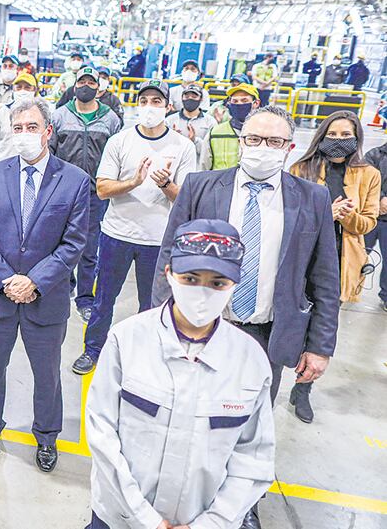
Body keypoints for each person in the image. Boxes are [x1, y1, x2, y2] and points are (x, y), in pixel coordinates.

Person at [151, 106, 340, 529]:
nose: (261, 149)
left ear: (289, 148)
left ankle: (241, 505)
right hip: (201, 325)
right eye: (253, 139)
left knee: (247, 425)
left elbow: (324, 277)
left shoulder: (312, 198)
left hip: (266, 334)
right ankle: (181, 492)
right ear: (241, 141)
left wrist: (320, 346)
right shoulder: (201, 187)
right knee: (186, 412)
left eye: (274, 142)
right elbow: (170, 254)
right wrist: (158, 323)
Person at [86, 219, 275, 529]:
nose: (202, 292)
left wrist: (212, 524)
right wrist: (145, 518)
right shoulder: (127, 339)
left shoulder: (250, 360)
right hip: (121, 517)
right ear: (169, 275)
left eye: (217, 283)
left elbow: (253, 457)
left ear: (234, 285)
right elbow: (102, 434)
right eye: (190, 278)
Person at [0, 98, 90, 472]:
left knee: (47, 374)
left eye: (31, 128)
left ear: (48, 132)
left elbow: (74, 243)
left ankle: (47, 436)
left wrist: (35, 281)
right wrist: (7, 279)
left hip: (45, 299)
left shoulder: (75, 180)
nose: (24, 135)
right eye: (17, 128)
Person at [72, 80, 197, 375]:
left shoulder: (183, 147)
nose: (150, 107)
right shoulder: (120, 141)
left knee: (152, 306)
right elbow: (102, 189)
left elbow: (186, 199)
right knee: (103, 298)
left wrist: (164, 183)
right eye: (145, 101)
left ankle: (145, 358)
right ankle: (93, 350)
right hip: (117, 234)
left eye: (157, 102)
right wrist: (135, 182)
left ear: (168, 107)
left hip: (158, 240)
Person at [287, 111, 378, 423]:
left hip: (339, 262)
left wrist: (347, 216)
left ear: (356, 138)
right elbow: (290, 215)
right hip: (302, 256)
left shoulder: (369, 174)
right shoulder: (301, 168)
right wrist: (327, 212)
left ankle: (303, 390)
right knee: (287, 319)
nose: (339, 141)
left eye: (346, 135)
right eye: (333, 134)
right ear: (322, 136)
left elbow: (368, 223)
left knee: (321, 329)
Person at [52, 66, 122, 323]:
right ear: (75, 84)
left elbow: (117, 155)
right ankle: (62, 286)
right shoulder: (59, 116)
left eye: (91, 82)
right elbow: (49, 152)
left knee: (90, 248)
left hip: (96, 192)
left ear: (98, 87)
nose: (85, 86)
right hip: (63, 192)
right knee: (60, 241)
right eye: (81, 81)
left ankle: (85, 298)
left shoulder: (111, 119)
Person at [199, 83, 261, 171]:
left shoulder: (266, 133)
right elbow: (204, 168)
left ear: (256, 103)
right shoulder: (215, 133)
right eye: (235, 101)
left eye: (244, 101)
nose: (239, 104)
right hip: (220, 184)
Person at [0, 71, 39, 161]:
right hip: (3, 164)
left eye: (27, 88)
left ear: (35, 90)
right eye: (19, 87)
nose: (23, 91)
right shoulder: (3, 112)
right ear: (13, 90)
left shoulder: (41, 113)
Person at [166, 82, 217, 160]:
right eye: (186, 96)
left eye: (194, 96)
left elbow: (211, 152)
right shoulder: (170, 120)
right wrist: (173, 139)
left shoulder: (210, 122)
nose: (190, 98)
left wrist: (194, 140)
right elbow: (163, 147)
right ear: (182, 98)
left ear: (201, 99)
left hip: (197, 169)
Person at [365, 138, 387, 312]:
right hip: (370, 217)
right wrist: (380, 198)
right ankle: (347, 288)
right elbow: (364, 180)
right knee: (356, 255)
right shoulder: (374, 155)